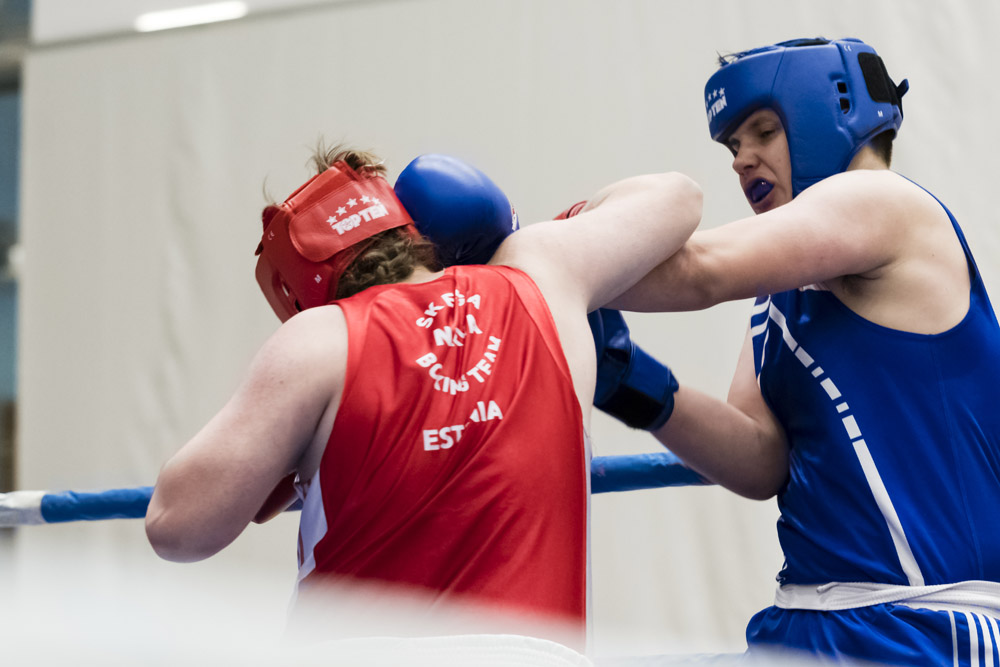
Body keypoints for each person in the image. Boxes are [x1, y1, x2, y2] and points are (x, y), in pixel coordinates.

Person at [144, 144, 702, 651]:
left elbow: (175, 527)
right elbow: (678, 196)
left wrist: (283, 447)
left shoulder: (318, 339)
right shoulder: (541, 276)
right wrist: (531, 243)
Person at [595, 37, 1000, 664]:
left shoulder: (884, 201)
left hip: (920, 629)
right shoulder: (779, 294)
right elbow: (761, 461)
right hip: (801, 623)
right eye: (733, 146)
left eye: (762, 132)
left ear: (825, 113)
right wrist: (629, 380)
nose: (741, 160)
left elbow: (699, 272)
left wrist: (528, 262)